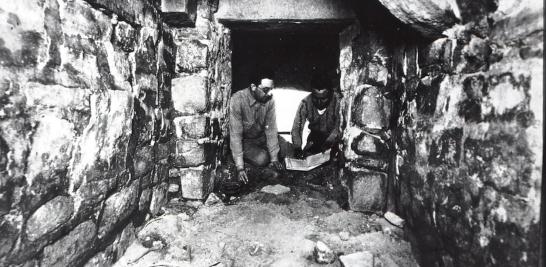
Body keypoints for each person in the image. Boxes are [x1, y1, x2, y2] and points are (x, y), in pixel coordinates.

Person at [229, 77, 284, 184]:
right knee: (262, 158)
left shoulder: (269, 100)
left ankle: (269, 164)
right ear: (253, 87)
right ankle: (235, 158)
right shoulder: (237, 99)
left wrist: (274, 159)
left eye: (272, 89)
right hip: (245, 141)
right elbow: (236, 136)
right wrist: (240, 167)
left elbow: (271, 129)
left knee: (288, 149)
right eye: (266, 90)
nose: (270, 94)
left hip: (261, 137)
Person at [292, 73, 340, 158]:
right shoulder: (305, 103)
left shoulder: (338, 102)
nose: (319, 102)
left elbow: (338, 127)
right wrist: (297, 147)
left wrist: (329, 142)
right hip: (315, 138)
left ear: (330, 93)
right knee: (308, 156)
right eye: (315, 98)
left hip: (333, 139)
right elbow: (297, 127)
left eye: (323, 99)